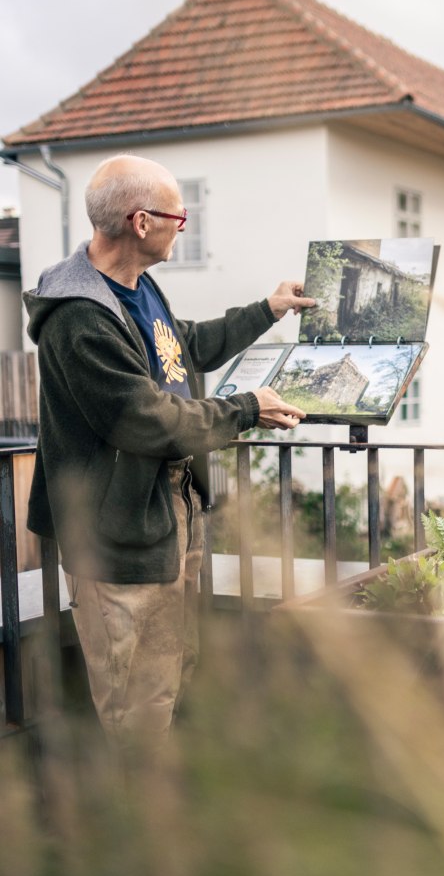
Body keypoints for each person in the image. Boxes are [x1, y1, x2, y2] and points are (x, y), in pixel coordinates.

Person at [24, 154, 314, 758]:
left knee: (173, 668)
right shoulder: (79, 318)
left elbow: (183, 347)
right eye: (177, 216)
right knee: (137, 695)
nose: (183, 224)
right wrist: (245, 409)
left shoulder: (135, 287)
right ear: (139, 221)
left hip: (168, 515)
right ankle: (142, 834)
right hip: (117, 534)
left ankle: (165, 815)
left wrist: (267, 309)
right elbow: (147, 422)